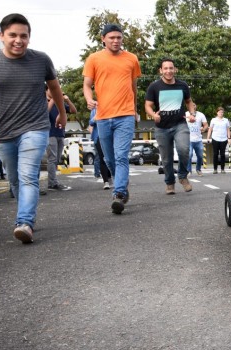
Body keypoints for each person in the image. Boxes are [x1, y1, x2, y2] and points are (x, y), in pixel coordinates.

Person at [0, 13, 67, 243]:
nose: (19, 40)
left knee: (28, 176)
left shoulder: (41, 60)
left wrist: (62, 114)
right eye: (13, 35)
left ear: (29, 38)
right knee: (15, 179)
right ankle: (24, 214)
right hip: (5, 132)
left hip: (36, 127)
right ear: (2, 35)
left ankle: (25, 222)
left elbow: (55, 89)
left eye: (24, 36)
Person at [83, 23, 142, 214]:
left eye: (119, 37)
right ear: (103, 39)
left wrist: (135, 110)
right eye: (112, 38)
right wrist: (89, 99)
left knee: (121, 156)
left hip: (124, 115)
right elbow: (87, 84)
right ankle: (122, 186)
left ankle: (118, 194)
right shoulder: (94, 59)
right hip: (103, 116)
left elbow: (133, 87)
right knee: (109, 159)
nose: (116, 41)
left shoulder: (131, 59)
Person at [144, 58, 195, 195]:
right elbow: (148, 106)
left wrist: (192, 113)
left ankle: (183, 176)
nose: (168, 71)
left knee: (184, 150)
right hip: (162, 128)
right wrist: (153, 115)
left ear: (175, 69)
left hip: (180, 124)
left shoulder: (182, 85)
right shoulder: (154, 87)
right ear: (161, 70)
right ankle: (170, 183)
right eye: (165, 68)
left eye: (171, 68)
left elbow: (189, 102)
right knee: (166, 159)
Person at [46, 86, 77, 191]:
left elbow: (73, 111)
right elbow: (45, 112)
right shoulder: (45, 101)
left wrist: (67, 100)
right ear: (47, 90)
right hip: (50, 134)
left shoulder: (59, 103)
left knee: (56, 159)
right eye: (53, 89)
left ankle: (53, 181)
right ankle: (52, 183)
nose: (56, 91)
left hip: (60, 133)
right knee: (52, 159)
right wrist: (54, 99)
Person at [89, 108, 112, 189]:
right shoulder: (94, 110)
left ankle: (109, 176)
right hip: (98, 136)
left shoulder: (112, 106)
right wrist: (97, 116)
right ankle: (105, 181)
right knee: (102, 158)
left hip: (110, 135)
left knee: (110, 158)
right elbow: (91, 122)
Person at [186, 103, 208, 176]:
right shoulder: (185, 114)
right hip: (188, 139)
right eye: (191, 105)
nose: (193, 106)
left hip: (198, 139)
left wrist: (204, 129)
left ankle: (198, 169)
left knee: (200, 156)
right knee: (189, 155)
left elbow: (205, 125)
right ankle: (189, 170)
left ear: (196, 106)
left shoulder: (201, 115)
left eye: (194, 105)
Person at [207, 107, 231, 174]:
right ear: (217, 112)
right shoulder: (213, 120)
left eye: (222, 112)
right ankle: (215, 169)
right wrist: (208, 137)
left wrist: (229, 138)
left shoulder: (226, 120)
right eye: (220, 112)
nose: (221, 113)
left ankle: (222, 169)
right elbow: (210, 129)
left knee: (223, 154)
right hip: (215, 138)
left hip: (223, 139)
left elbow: (228, 129)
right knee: (215, 154)